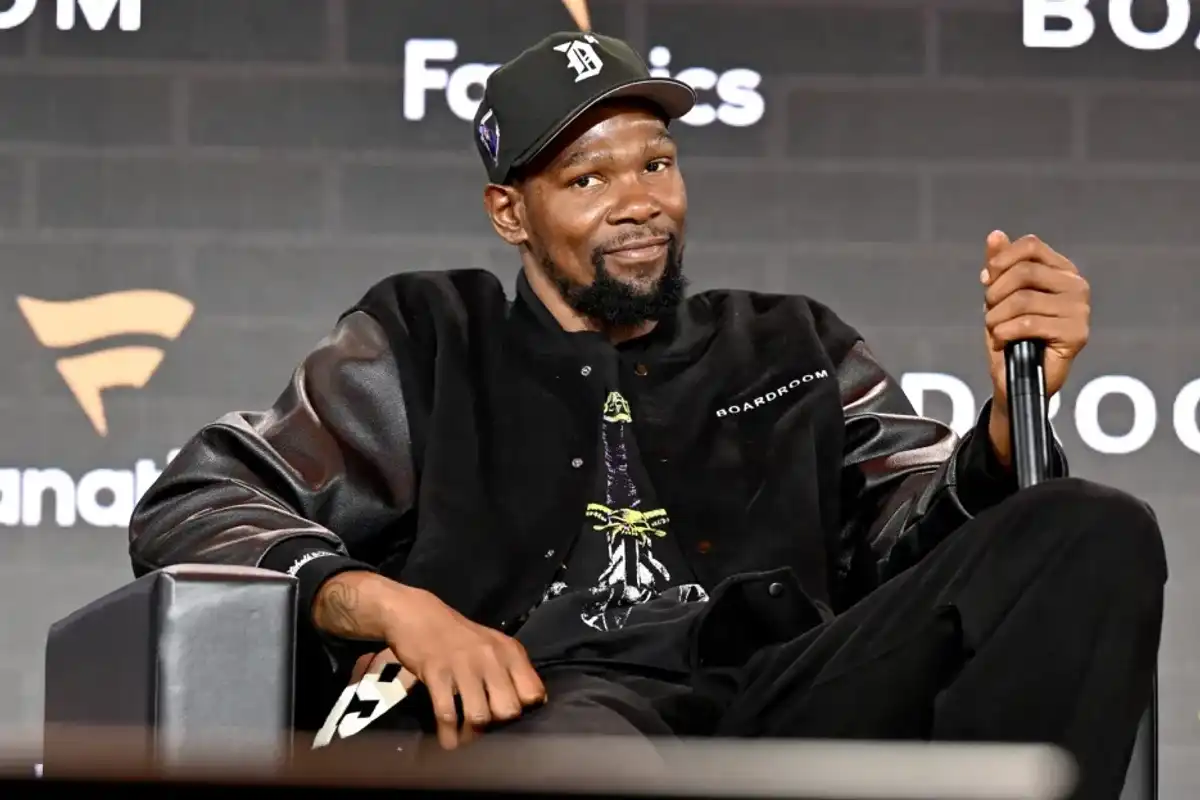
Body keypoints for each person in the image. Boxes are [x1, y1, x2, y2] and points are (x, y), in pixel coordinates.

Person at [128, 31, 1165, 800]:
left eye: (656, 163)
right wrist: (403, 610)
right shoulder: (427, 335)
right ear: (510, 211)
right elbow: (203, 495)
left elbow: (910, 528)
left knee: (1095, 522)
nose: (639, 202)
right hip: (536, 702)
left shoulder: (792, 344)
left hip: (774, 698)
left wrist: (1001, 423)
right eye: (587, 177)